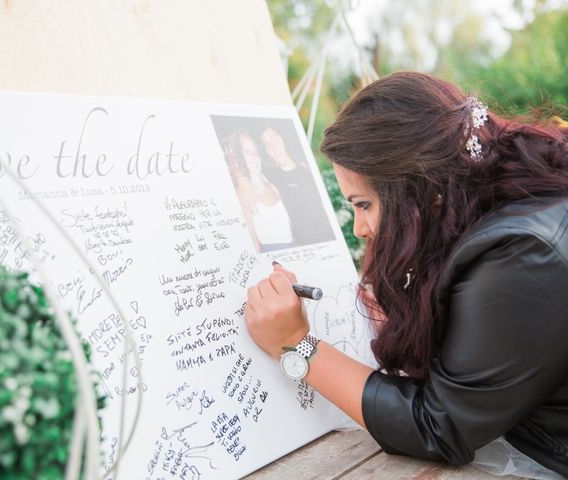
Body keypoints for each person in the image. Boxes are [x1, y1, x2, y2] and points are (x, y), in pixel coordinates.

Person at [245, 72, 568, 477]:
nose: (360, 228)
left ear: (423, 189)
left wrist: (296, 344)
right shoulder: (510, 197)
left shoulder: (519, 254)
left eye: (364, 204)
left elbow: (442, 426)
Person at [259, 126, 334, 246]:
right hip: (301, 244)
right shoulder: (271, 178)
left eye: (273, 138)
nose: (272, 146)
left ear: (281, 138)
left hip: (328, 238)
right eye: (266, 143)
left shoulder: (308, 171)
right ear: (266, 151)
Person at [230, 129, 296, 252]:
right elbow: (253, 243)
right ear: (241, 156)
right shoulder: (242, 192)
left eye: (255, 151)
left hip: (295, 246)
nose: (252, 156)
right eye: (247, 152)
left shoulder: (275, 183)